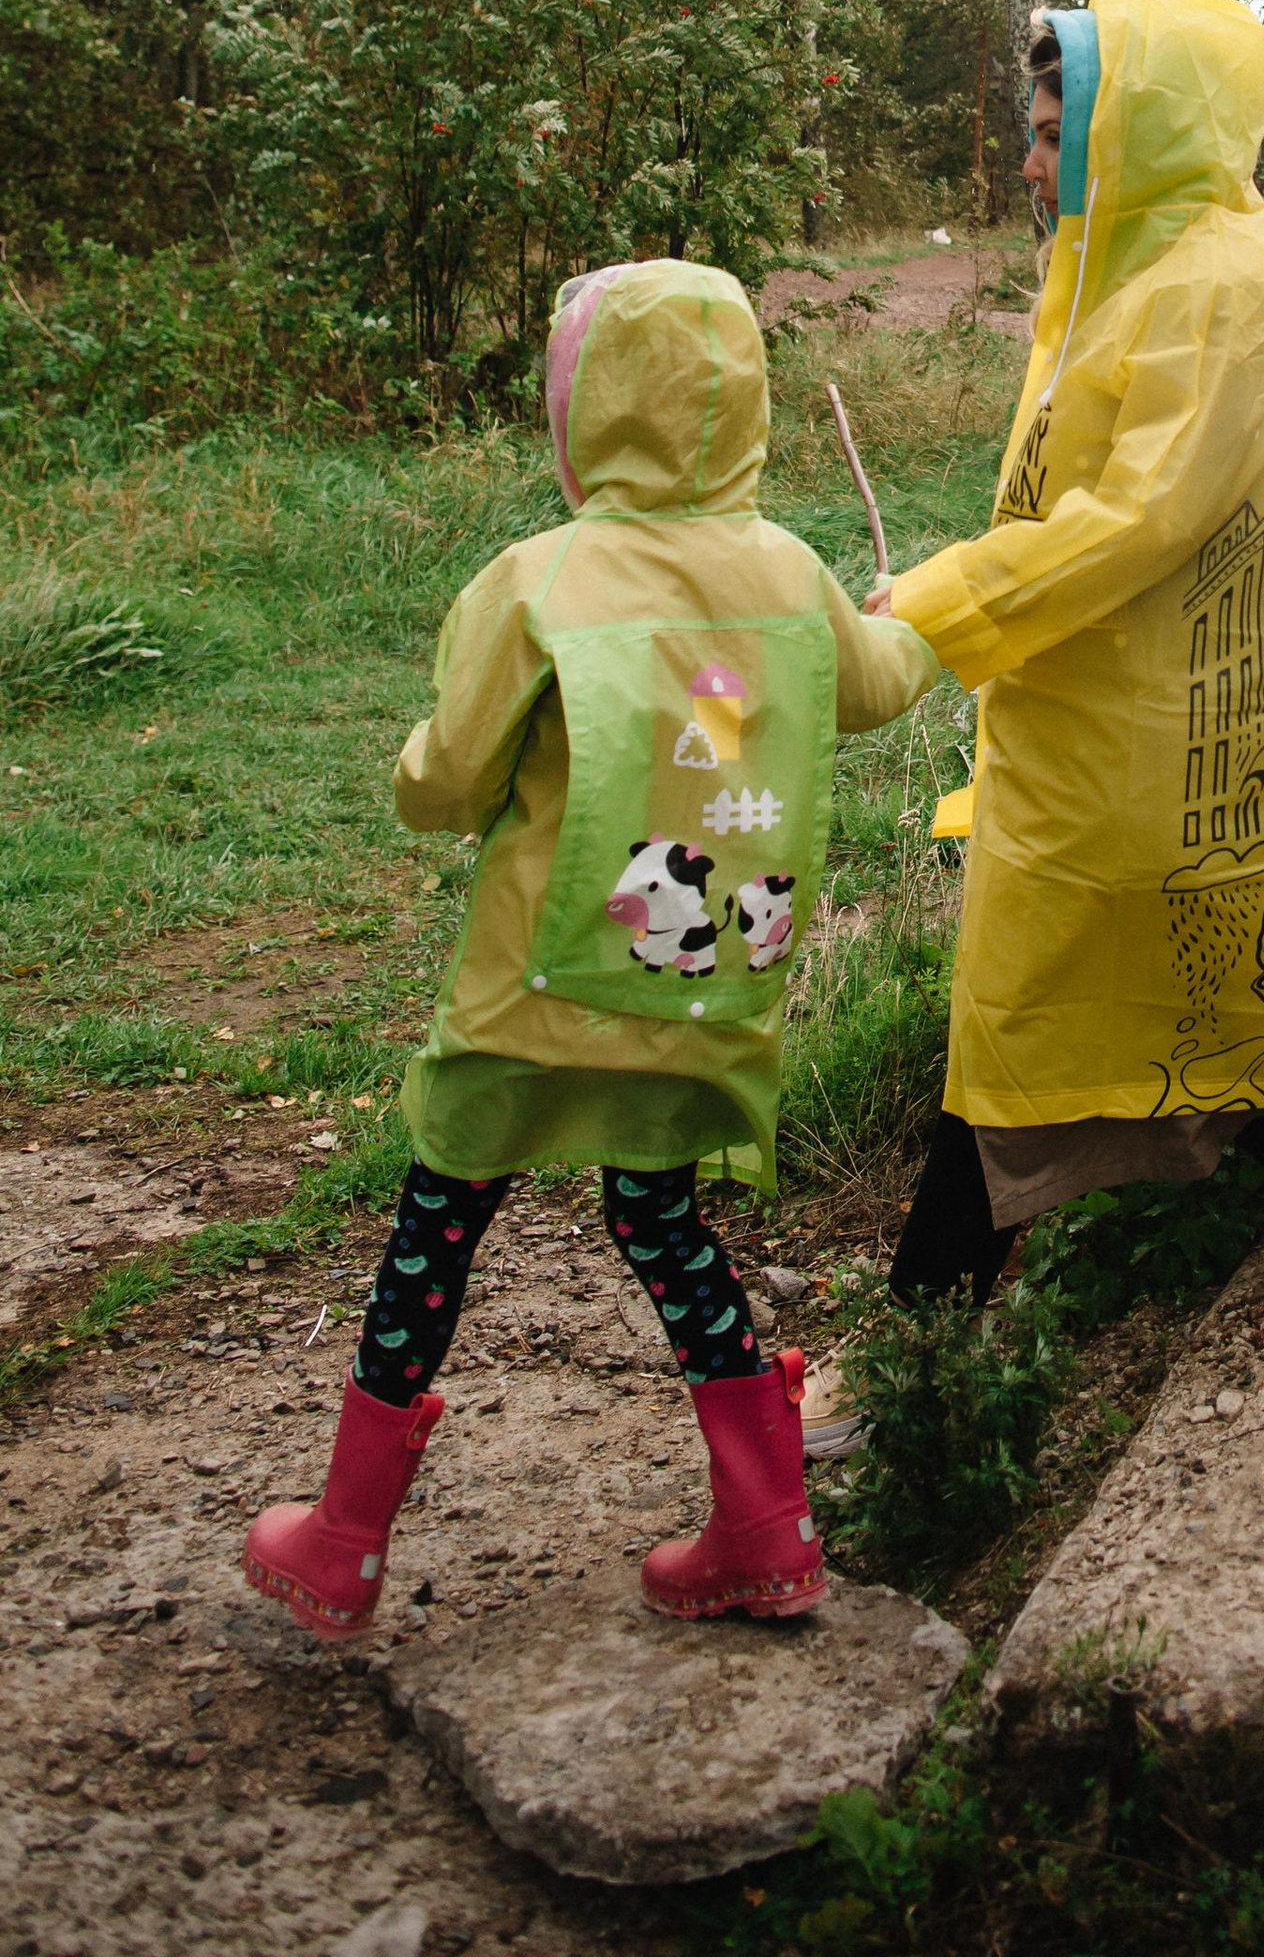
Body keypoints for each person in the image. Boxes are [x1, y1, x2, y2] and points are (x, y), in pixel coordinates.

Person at [241, 258, 940, 1637]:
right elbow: (874, 687)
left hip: (532, 986)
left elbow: (444, 783)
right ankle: (768, 1525)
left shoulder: (535, 580)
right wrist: (897, 616)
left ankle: (343, 1541)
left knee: (439, 1227)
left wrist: (410, 756)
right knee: (661, 1218)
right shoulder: (793, 571)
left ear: (582, 414)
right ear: (745, 404)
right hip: (697, 988)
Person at [866, 0, 1264, 1311]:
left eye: (1047, 131)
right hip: (1108, 722)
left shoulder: (1215, 291)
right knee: (1148, 1013)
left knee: (1032, 1023)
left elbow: (1128, 524)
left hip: (1161, 738)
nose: (1028, 163)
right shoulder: (1128, 271)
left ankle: (919, 1345)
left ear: (1128, 131)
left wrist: (935, 609)